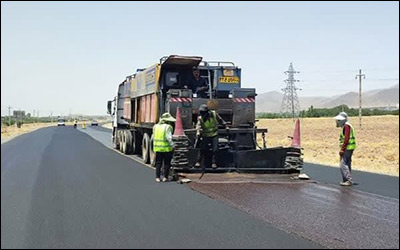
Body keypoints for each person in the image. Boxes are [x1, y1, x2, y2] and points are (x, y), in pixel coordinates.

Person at [196, 104, 225, 170]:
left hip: (214, 134)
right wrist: (198, 132)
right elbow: (198, 125)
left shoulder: (214, 114)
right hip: (206, 135)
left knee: (215, 149)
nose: (202, 114)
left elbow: (220, 120)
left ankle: (214, 163)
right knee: (202, 148)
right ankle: (198, 161)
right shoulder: (200, 118)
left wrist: (225, 125)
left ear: (207, 112)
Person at [334, 112, 356, 186]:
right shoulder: (347, 126)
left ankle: (348, 180)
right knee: (347, 163)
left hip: (347, 147)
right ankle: (346, 179)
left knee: (343, 164)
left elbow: (346, 138)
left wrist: (343, 149)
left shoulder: (346, 126)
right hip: (350, 147)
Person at [153, 112, 176, 182]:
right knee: (166, 163)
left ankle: (157, 177)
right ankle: (165, 177)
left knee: (158, 163)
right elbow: (168, 137)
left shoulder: (155, 126)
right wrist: (173, 145)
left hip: (158, 148)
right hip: (166, 148)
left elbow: (154, 136)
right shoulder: (168, 127)